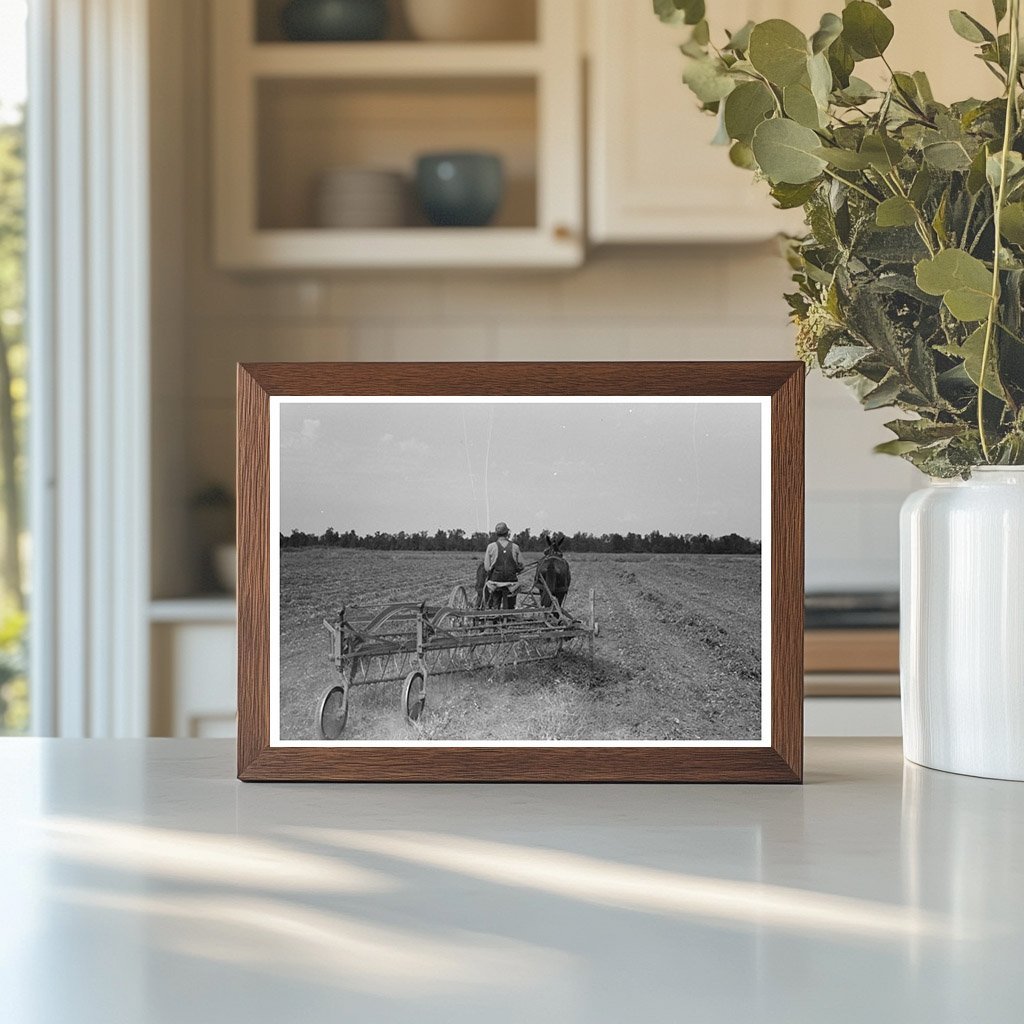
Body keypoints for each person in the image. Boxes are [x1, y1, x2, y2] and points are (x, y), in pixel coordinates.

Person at [484, 522, 524, 610]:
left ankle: (495, 610)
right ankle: (510, 612)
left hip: (495, 582)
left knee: (495, 599)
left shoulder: (490, 547)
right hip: (511, 582)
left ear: (496, 534)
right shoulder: (515, 547)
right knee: (511, 602)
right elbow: (521, 566)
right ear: (507, 533)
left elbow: (487, 568)